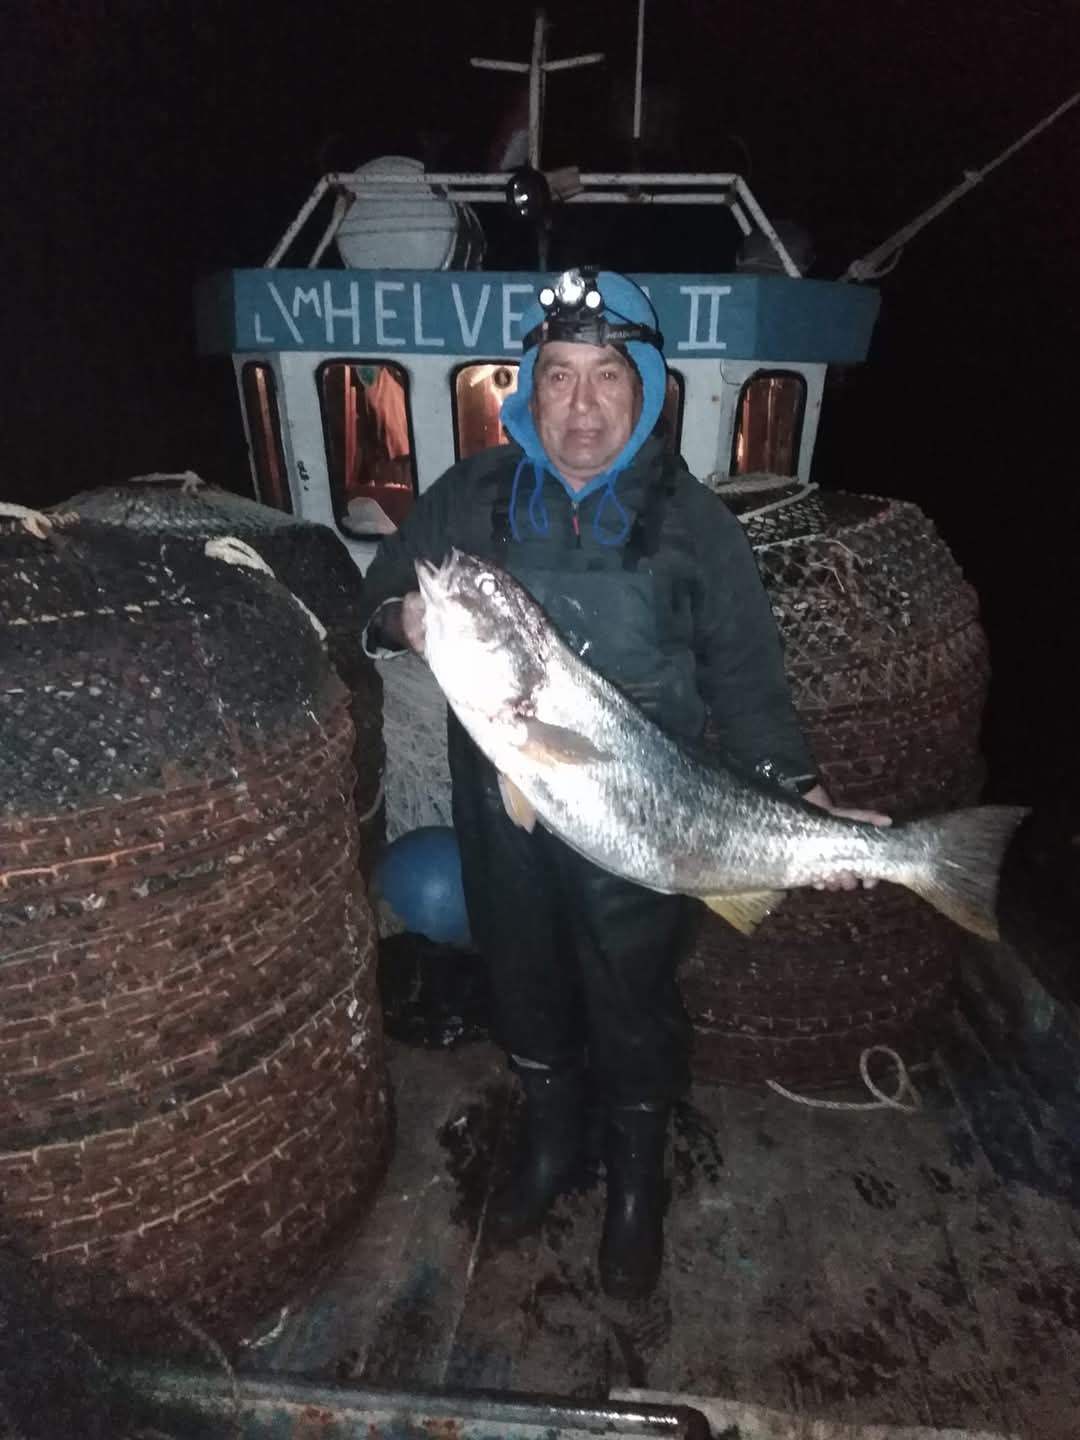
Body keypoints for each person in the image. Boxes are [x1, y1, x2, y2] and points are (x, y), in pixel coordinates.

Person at [360, 268, 888, 1300]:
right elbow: (375, 600)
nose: (582, 405)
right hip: (505, 809)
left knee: (632, 1002)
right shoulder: (468, 497)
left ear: (645, 386)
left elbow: (749, 690)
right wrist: (404, 622)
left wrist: (802, 797)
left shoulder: (698, 528)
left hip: (653, 819)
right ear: (527, 387)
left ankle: (636, 1183)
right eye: (558, 376)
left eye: (608, 375)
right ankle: (553, 1147)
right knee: (523, 982)